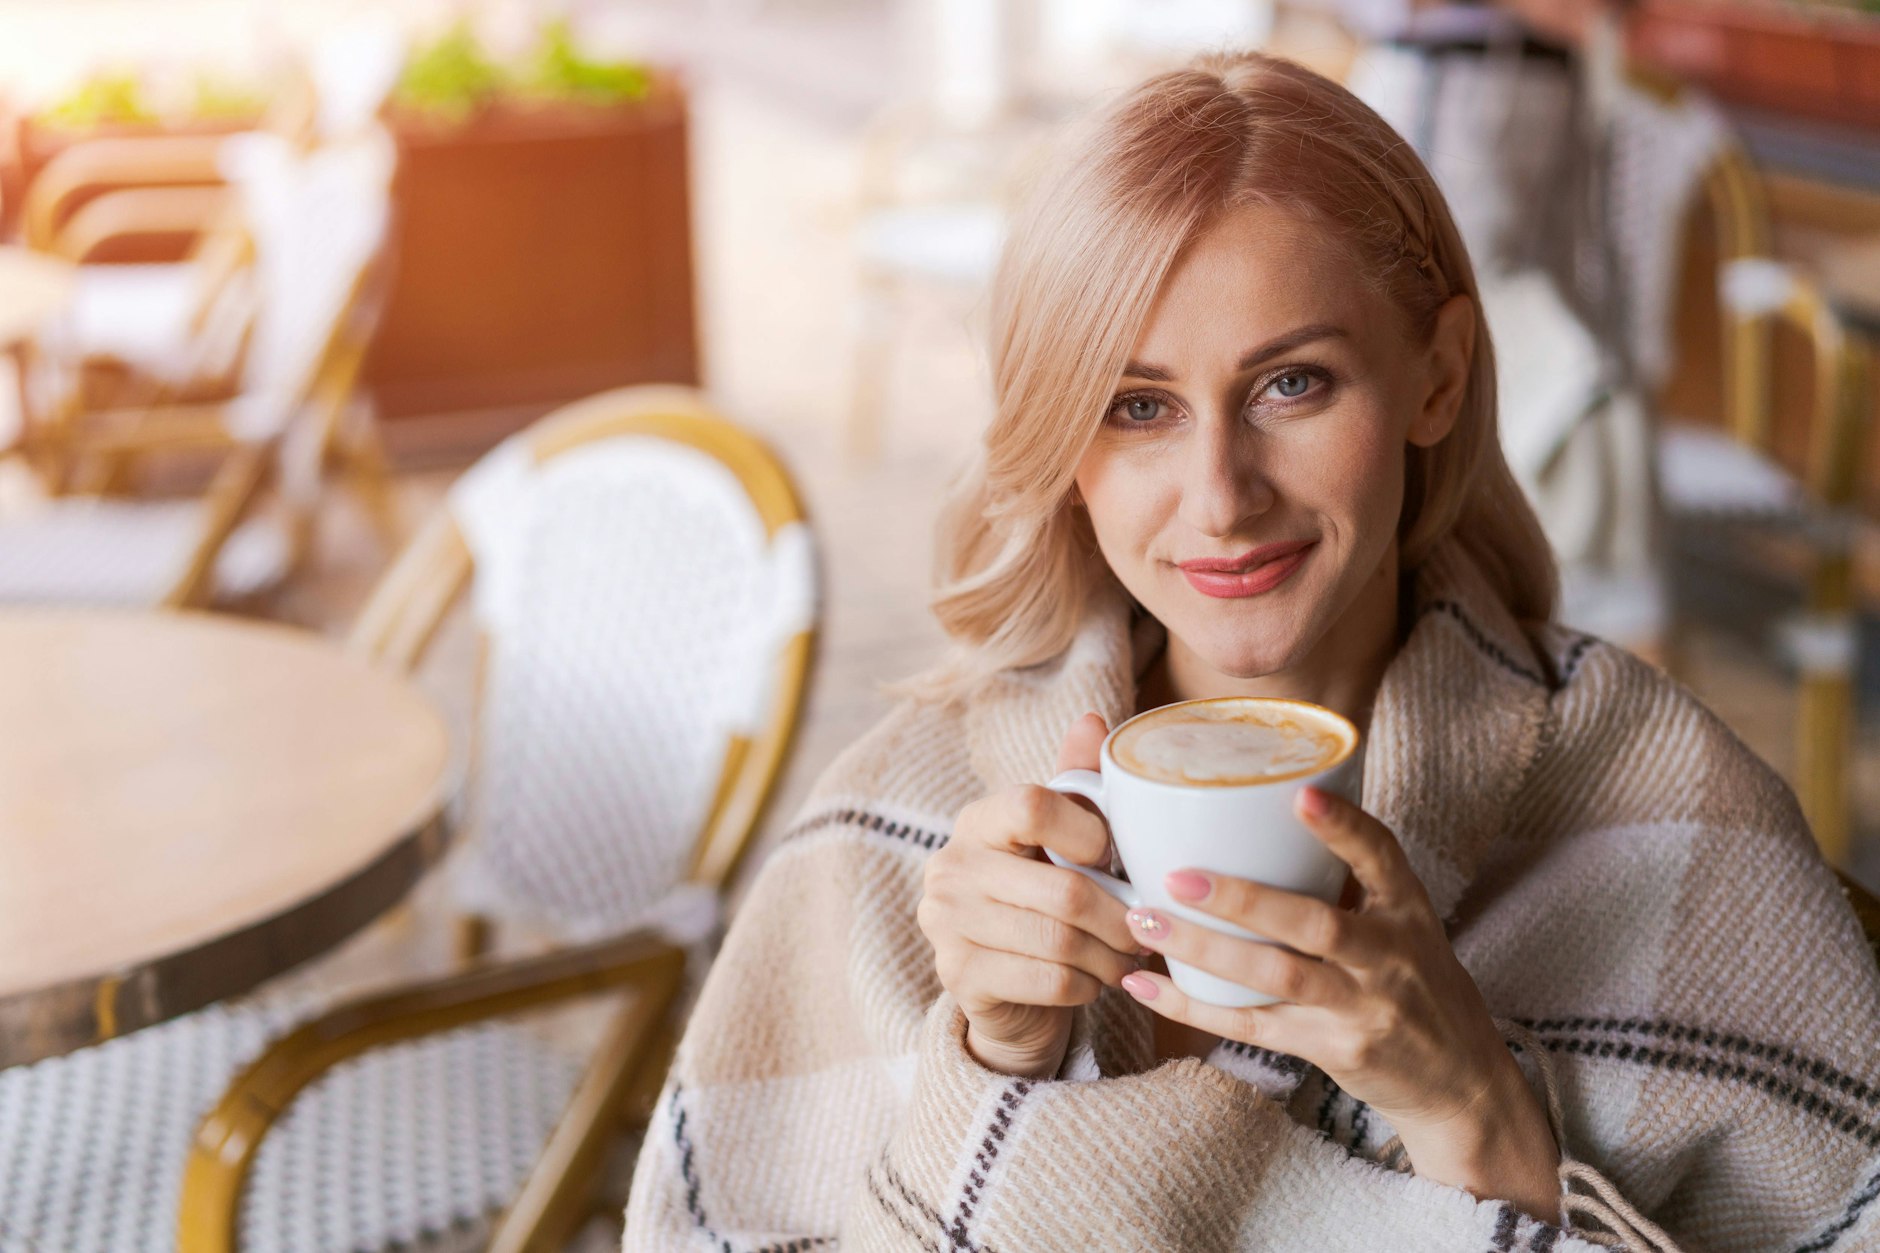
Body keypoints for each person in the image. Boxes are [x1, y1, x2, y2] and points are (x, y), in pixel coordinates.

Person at [624, 50, 1879, 1251]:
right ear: (1063, 442)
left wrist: (1473, 1108)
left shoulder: (1661, 805)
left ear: (1434, 378)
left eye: (1292, 385)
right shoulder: (895, 823)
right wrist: (996, 1059)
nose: (1219, 496)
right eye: (1136, 407)